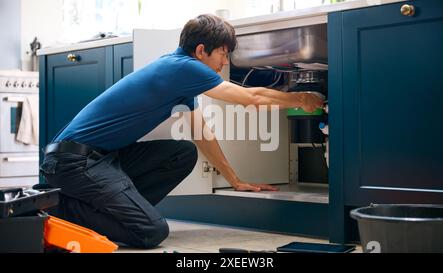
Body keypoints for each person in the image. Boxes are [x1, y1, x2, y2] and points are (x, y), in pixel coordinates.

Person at [39, 14, 324, 249]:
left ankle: (123, 213)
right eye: (223, 54)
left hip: (96, 160)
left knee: (182, 152)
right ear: (201, 50)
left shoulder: (180, 74)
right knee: (151, 233)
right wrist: (300, 98)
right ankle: (56, 207)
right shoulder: (184, 69)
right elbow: (252, 99)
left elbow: (203, 134)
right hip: (73, 164)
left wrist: (235, 180)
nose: (225, 63)